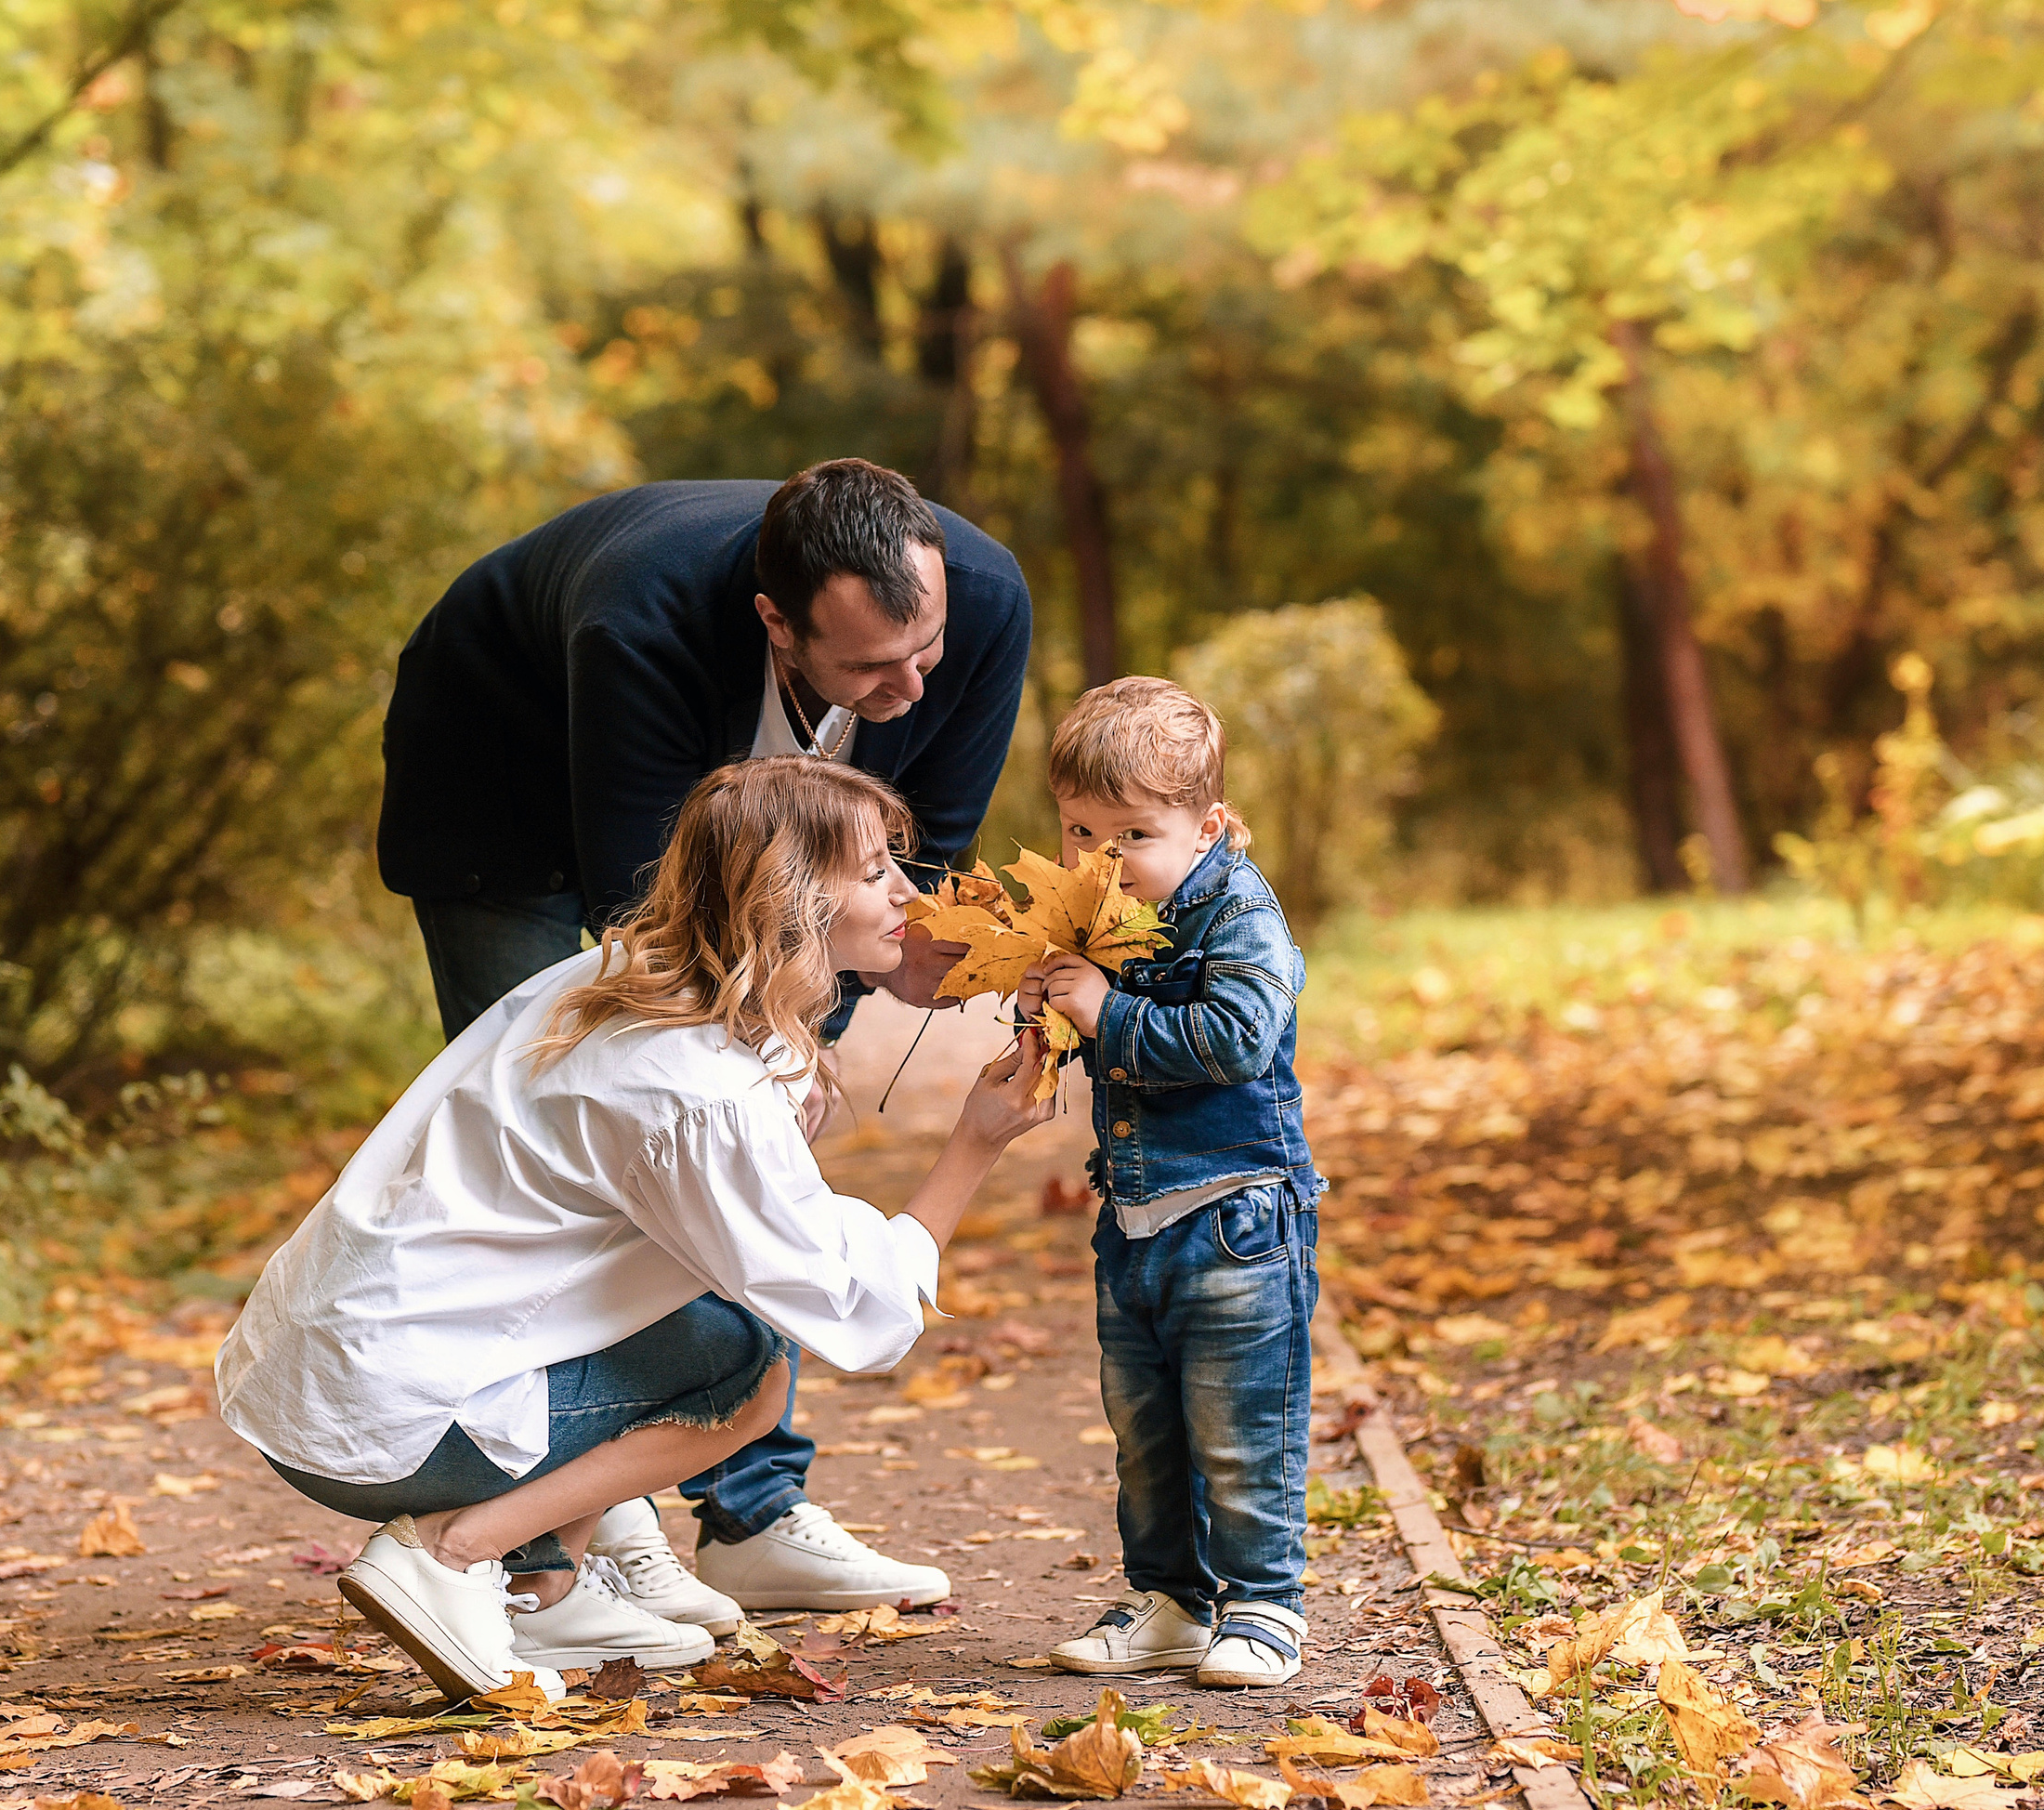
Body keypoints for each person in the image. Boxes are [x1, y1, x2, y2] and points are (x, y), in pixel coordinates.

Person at [216, 759, 1055, 1696]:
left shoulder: (620, 977)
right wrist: (973, 1147)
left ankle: (546, 1591)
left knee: (694, 1312)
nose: (907, 892)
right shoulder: (701, 1088)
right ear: (788, 895)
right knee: (748, 1363)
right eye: (871, 872)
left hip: (327, 1377)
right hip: (390, 1427)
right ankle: (453, 1557)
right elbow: (849, 1310)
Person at [373, 459, 1030, 1622]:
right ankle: (567, 1542)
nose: (912, 685)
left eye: (922, 648)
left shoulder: (974, 603)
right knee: (590, 1130)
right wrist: (770, 1058)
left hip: (683, 826)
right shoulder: (644, 622)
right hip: (500, 785)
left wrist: (819, 1036)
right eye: (871, 668)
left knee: (744, 1134)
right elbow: (666, 933)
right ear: (775, 622)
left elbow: (918, 853)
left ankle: (755, 1516)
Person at [1015, 679, 1326, 1690]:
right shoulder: (1104, 914)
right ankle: (1172, 1599)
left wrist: (1106, 1011)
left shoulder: (1239, 912)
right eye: (1078, 832)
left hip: (1237, 1216)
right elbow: (1088, 1028)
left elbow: (1238, 1040)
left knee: (1241, 1428)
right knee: (1145, 1434)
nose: (1100, 861)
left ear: (1211, 825)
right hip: (1135, 1222)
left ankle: (1266, 1602)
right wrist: (1049, 1013)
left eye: (1133, 834)